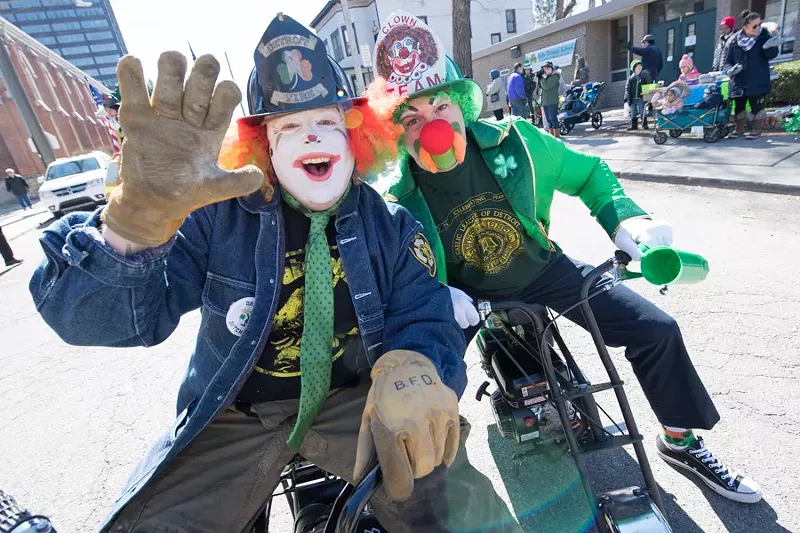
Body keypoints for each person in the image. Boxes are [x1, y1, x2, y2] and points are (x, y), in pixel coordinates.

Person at [30, 15, 519, 533]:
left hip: (353, 402)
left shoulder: (391, 226)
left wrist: (416, 366)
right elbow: (104, 321)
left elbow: (426, 311)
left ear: (356, 137)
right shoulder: (216, 217)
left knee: (462, 504)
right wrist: (129, 234)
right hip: (235, 414)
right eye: (288, 126)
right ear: (262, 145)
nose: (311, 135)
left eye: (328, 121)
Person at [367, 12, 762, 507]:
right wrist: (433, 294)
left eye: (439, 106)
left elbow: (591, 173)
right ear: (395, 134)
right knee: (421, 389)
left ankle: (680, 441)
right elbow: (390, 266)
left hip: (544, 271)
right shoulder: (396, 196)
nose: (432, 127)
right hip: (462, 297)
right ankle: (418, 502)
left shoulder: (517, 143)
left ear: (461, 107)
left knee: (655, 328)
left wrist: (626, 222)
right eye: (411, 118)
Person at [724, 10, 781, 139]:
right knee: (739, 107)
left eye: (759, 24)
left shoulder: (764, 38)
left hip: (757, 79)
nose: (758, 28)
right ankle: (739, 128)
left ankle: (757, 129)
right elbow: (727, 62)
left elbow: (770, 55)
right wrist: (729, 70)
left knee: (757, 106)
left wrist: (769, 47)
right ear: (745, 27)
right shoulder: (734, 41)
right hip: (739, 81)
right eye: (754, 26)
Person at [624, 59, 651, 130]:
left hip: (640, 98)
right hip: (632, 99)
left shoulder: (643, 77)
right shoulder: (630, 79)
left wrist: (647, 76)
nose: (639, 67)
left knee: (642, 111)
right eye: (637, 66)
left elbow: (648, 85)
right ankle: (634, 126)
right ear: (634, 68)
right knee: (633, 112)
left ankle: (644, 124)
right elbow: (627, 89)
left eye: (640, 66)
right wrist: (627, 98)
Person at [537, 61, 562, 137]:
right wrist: (539, 79)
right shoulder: (547, 77)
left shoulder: (555, 77)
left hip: (552, 101)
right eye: (544, 69)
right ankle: (552, 136)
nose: (545, 71)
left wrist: (541, 78)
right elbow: (542, 86)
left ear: (551, 69)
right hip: (546, 102)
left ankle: (557, 136)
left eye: (547, 69)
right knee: (548, 120)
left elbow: (546, 86)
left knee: (553, 119)